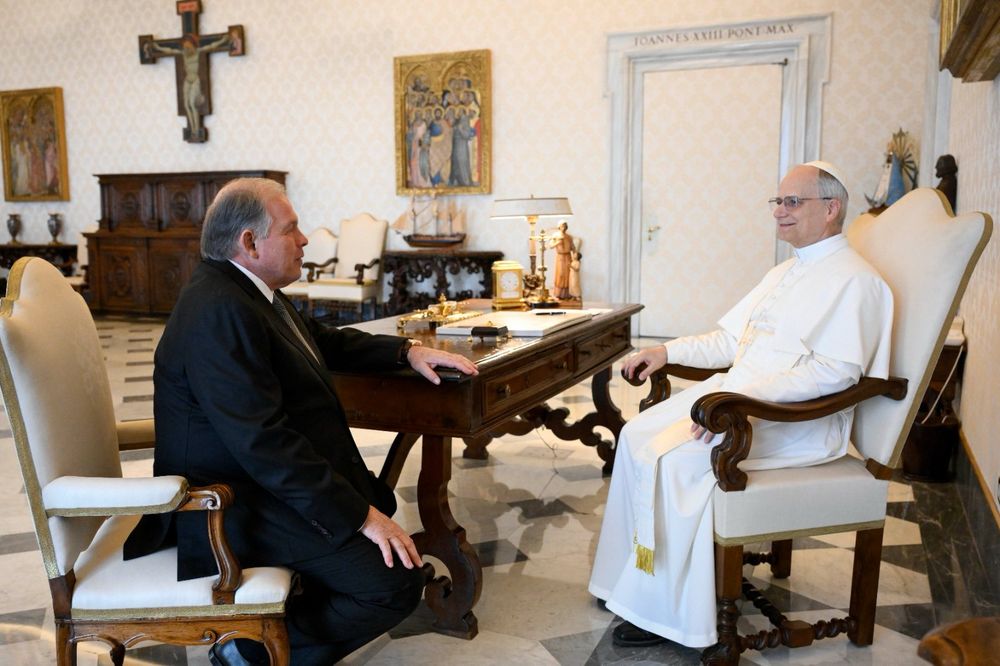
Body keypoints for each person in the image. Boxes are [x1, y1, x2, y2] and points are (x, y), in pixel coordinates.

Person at [124, 178, 478, 666]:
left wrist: (407, 350)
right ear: (249, 242)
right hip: (231, 506)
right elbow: (265, 443)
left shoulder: (246, 289)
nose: (306, 239)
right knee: (392, 585)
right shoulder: (218, 311)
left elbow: (321, 340)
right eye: (291, 230)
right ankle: (252, 652)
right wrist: (359, 517)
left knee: (380, 515)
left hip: (258, 487)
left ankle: (267, 634)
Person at [588, 162, 893, 649]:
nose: (780, 212)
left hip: (796, 422)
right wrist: (667, 352)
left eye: (793, 202)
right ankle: (630, 580)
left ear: (831, 208)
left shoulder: (857, 281)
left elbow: (833, 374)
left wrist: (739, 401)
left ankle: (664, 614)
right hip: (737, 400)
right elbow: (731, 340)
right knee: (636, 434)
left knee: (680, 460)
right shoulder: (785, 271)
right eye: (777, 202)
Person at [144, 32, 232, 139]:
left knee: (192, 104)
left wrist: (223, 40)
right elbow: (169, 50)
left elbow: (212, 46)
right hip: (187, 81)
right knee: (186, 105)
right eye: (184, 47)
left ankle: (196, 129)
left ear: (193, 45)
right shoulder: (183, 54)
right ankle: (192, 130)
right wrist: (157, 47)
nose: (186, 50)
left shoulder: (198, 52)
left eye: (188, 47)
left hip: (195, 80)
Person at [549, 221, 574, 300]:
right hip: (560, 257)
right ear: (559, 226)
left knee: (568, 275)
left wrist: (575, 257)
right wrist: (558, 242)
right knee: (560, 274)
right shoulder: (555, 235)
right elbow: (551, 246)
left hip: (568, 257)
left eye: (565, 226)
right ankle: (558, 294)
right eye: (562, 226)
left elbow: (573, 247)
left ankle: (568, 294)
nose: (564, 227)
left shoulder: (569, 237)